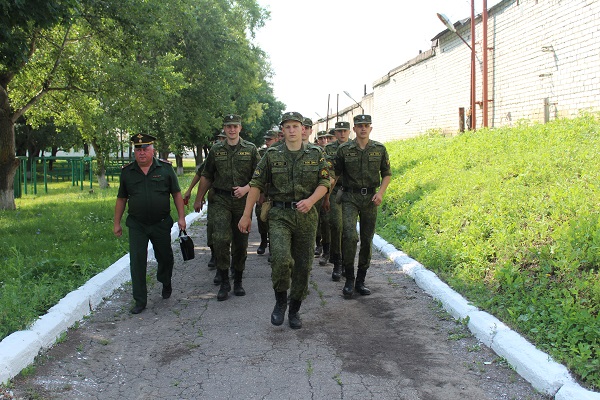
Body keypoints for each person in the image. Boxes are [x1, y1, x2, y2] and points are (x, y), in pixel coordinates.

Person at [238, 111, 330, 329]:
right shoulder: (271, 155)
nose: (291, 130)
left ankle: (295, 308)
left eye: (295, 126)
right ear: (283, 130)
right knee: (280, 259)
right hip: (279, 214)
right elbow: (256, 184)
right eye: (287, 127)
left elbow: (325, 182)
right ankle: (280, 301)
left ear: (303, 129)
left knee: (303, 265)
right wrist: (246, 215)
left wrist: (310, 201)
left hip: (306, 215)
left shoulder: (316, 153)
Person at [113, 133, 186, 314]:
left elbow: (176, 194)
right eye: (138, 149)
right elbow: (121, 199)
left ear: (152, 150)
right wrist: (117, 223)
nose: (142, 153)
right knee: (137, 261)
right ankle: (140, 300)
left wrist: (181, 217)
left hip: (161, 223)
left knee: (165, 257)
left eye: (145, 149)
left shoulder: (165, 169)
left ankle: (165, 280)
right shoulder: (127, 172)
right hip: (137, 225)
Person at [193, 114, 260, 301]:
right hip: (220, 200)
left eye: (235, 126)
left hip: (242, 202)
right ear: (224, 128)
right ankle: (224, 282)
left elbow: (259, 175)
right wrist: (198, 198)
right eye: (228, 126)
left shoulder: (251, 149)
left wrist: (247, 189)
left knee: (240, 243)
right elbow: (206, 175)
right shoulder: (216, 150)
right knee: (221, 239)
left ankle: (237, 280)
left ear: (240, 128)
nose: (232, 129)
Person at [333, 114, 391, 297]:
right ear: (355, 129)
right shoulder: (344, 150)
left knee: (367, 240)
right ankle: (349, 279)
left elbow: (387, 174)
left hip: (370, 199)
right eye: (359, 126)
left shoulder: (379, 149)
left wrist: (380, 193)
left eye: (366, 125)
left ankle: (361, 280)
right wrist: (326, 198)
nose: (363, 128)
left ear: (370, 129)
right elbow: (335, 175)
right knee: (349, 236)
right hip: (350, 197)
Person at [183, 132, 226, 270]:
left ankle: (229, 260)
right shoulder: (214, 155)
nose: (221, 141)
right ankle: (214, 254)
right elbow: (201, 174)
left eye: (223, 139)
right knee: (212, 227)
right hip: (215, 197)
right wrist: (192, 192)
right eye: (219, 139)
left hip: (233, 199)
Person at [323, 120, 351, 281]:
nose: (341, 134)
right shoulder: (329, 149)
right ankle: (337, 262)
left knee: (348, 231)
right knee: (336, 225)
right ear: (335, 133)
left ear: (349, 132)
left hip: (350, 192)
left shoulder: (355, 146)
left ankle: (347, 264)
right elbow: (328, 173)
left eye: (344, 131)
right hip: (335, 191)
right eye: (339, 131)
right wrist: (326, 196)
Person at [255, 129, 279, 255]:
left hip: (276, 193)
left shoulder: (280, 152)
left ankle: (272, 246)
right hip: (263, 191)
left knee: (273, 220)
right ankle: (263, 240)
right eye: (266, 139)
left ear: (276, 139)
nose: (267, 141)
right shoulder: (261, 153)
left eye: (269, 139)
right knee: (260, 216)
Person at [314, 131, 331, 265]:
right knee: (318, 221)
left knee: (328, 223)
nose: (324, 140)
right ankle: (319, 244)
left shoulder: (330, 152)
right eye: (321, 138)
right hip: (315, 192)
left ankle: (329, 251)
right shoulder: (315, 151)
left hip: (330, 191)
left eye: (327, 138)